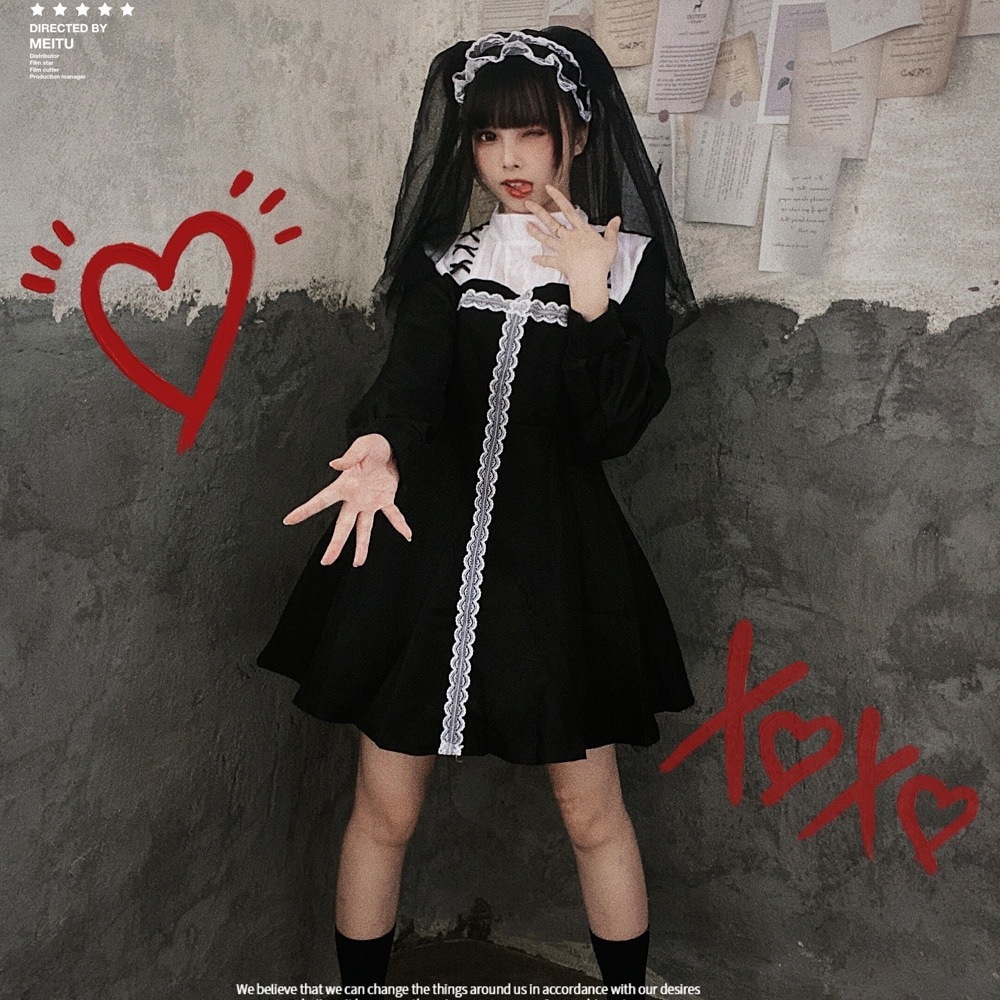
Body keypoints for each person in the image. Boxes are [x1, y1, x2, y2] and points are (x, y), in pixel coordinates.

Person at [256, 27, 700, 989]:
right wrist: (379, 446)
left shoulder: (627, 267)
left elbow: (614, 428)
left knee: (592, 814)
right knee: (386, 810)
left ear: (577, 135)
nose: (508, 157)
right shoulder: (446, 263)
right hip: (420, 562)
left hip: (558, 562)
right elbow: (409, 387)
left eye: (531, 133)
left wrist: (590, 296)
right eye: (488, 135)